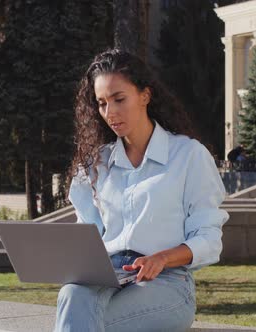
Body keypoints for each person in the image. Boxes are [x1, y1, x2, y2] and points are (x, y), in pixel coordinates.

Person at [56, 49, 229, 332]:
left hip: (167, 284)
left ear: (145, 96)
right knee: (72, 293)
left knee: (90, 323)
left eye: (119, 99)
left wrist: (162, 258)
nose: (110, 112)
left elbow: (209, 240)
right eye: (101, 103)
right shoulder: (96, 165)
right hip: (110, 278)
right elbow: (87, 234)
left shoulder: (188, 155)